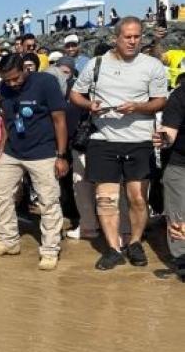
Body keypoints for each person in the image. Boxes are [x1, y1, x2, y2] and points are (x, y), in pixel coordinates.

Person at [69, 17, 168, 270]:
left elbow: (159, 101)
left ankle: (134, 242)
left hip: (139, 139)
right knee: (106, 199)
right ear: (116, 37)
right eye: (128, 37)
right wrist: (89, 105)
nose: (133, 41)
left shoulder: (152, 66)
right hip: (103, 139)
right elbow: (75, 94)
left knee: (137, 197)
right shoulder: (96, 64)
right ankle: (113, 249)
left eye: (137, 36)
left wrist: (137, 107)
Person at [0, 54, 69, 270]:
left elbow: (59, 120)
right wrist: (1, 148)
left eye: (15, 79)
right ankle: (8, 241)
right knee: (0, 195)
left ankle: (50, 250)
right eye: (7, 80)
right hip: (12, 151)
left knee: (48, 202)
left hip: (44, 151)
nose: (11, 83)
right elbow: (7, 120)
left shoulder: (45, 82)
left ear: (25, 70)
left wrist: (61, 155)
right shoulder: (3, 88)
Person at [156, 82, 185, 277]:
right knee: (178, 215)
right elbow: (170, 131)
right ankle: (182, 259)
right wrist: (164, 139)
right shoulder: (181, 94)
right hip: (180, 163)